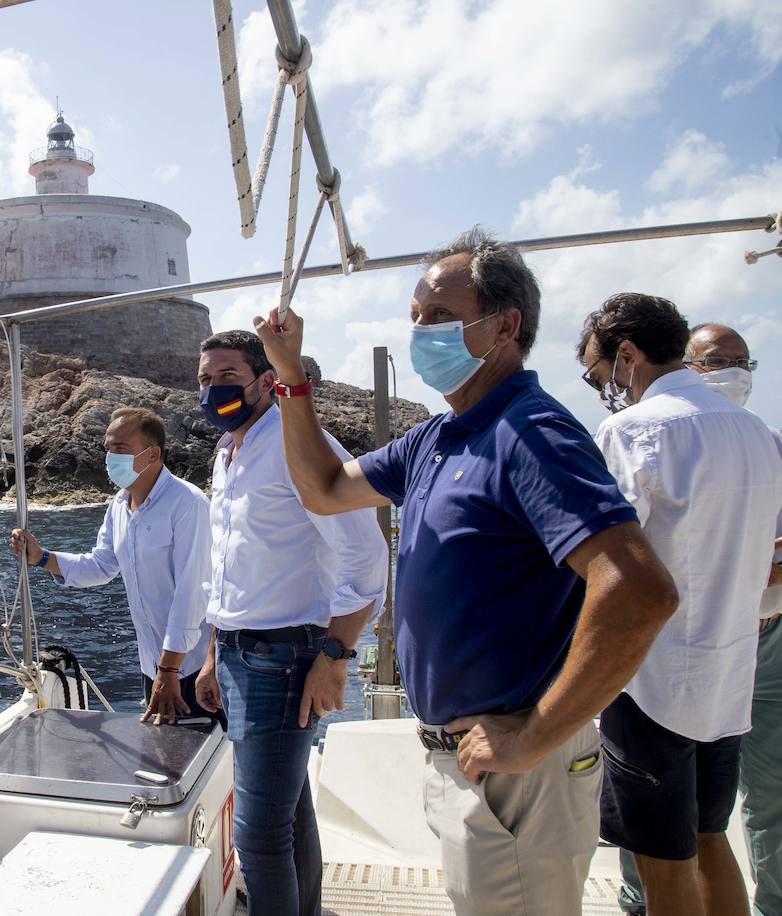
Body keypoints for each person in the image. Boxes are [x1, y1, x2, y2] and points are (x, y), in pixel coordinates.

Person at [253, 228, 680, 916]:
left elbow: (639, 589)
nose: (422, 332)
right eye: (417, 318)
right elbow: (325, 488)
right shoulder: (439, 435)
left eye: (442, 318)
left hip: (516, 770)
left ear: (506, 325)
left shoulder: (530, 430)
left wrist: (534, 734)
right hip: (468, 762)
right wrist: (292, 378)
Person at [578, 296, 782, 916]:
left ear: (629, 357)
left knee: (661, 866)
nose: (600, 389)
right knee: (708, 837)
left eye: (597, 374)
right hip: (728, 675)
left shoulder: (632, 430)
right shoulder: (758, 434)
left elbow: (608, 560)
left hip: (652, 680)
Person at [190, 329, 388, 916]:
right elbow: (230, 566)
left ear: (266, 380)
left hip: (282, 661)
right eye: (204, 380)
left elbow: (366, 556)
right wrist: (212, 653)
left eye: (227, 378)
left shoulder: (297, 444)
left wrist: (336, 656)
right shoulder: (229, 451)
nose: (213, 391)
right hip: (238, 656)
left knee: (258, 837)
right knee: (291, 816)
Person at [10, 406, 219, 726]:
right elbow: (102, 564)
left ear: (153, 455)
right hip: (154, 667)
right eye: (108, 449)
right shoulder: (119, 506)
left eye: (120, 450)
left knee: (206, 762)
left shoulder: (188, 504)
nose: (110, 458)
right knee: (166, 761)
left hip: (191, 670)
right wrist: (41, 557)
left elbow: (192, 594)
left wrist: (169, 669)